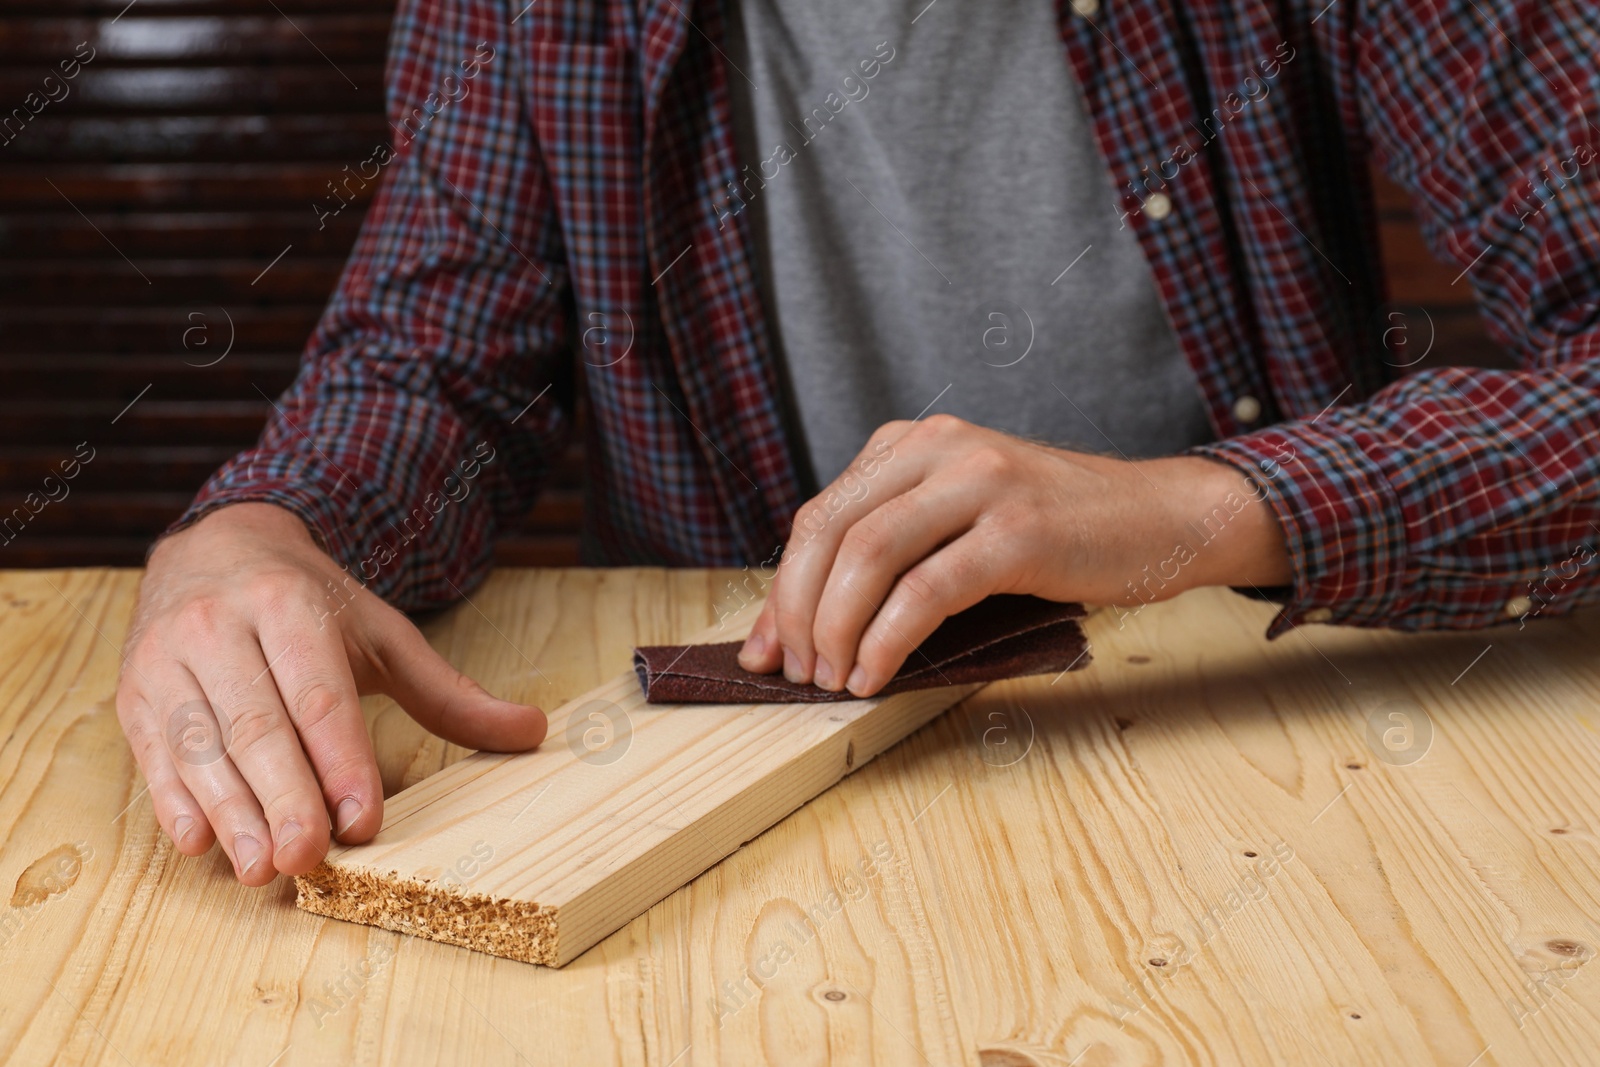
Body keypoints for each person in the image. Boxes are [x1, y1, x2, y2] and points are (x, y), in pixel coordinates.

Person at [116, 0, 1600, 886]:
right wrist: (258, 530)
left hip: (1273, 753)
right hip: (704, 840)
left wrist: (1197, 510)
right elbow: (433, 370)